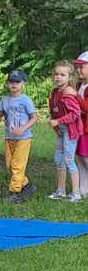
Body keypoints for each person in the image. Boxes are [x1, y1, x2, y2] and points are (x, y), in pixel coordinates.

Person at [0, 69, 36, 199]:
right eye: (11, 82)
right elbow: (0, 114)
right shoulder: (5, 100)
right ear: (7, 84)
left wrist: (23, 128)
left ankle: (15, 193)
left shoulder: (26, 100)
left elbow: (34, 118)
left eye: (17, 82)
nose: (14, 84)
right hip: (9, 137)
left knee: (17, 166)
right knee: (10, 165)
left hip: (23, 138)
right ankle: (27, 185)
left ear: (23, 83)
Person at [48, 62, 83, 202]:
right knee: (58, 159)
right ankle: (61, 191)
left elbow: (75, 114)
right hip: (61, 130)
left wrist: (58, 121)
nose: (58, 77)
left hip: (70, 130)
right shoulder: (55, 92)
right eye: (56, 74)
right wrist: (56, 126)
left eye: (62, 75)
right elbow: (54, 110)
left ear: (70, 77)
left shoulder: (68, 94)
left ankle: (76, 194)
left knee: (69, 159)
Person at [76, 51, 88, 199]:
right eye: (77, 67)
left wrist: (75, 101)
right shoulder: (80, 85)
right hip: (79, 128)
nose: (79, 70)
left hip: (86, 128)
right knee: (80, 157)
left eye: (82, 67)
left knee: (86, 157)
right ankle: (83, 188)